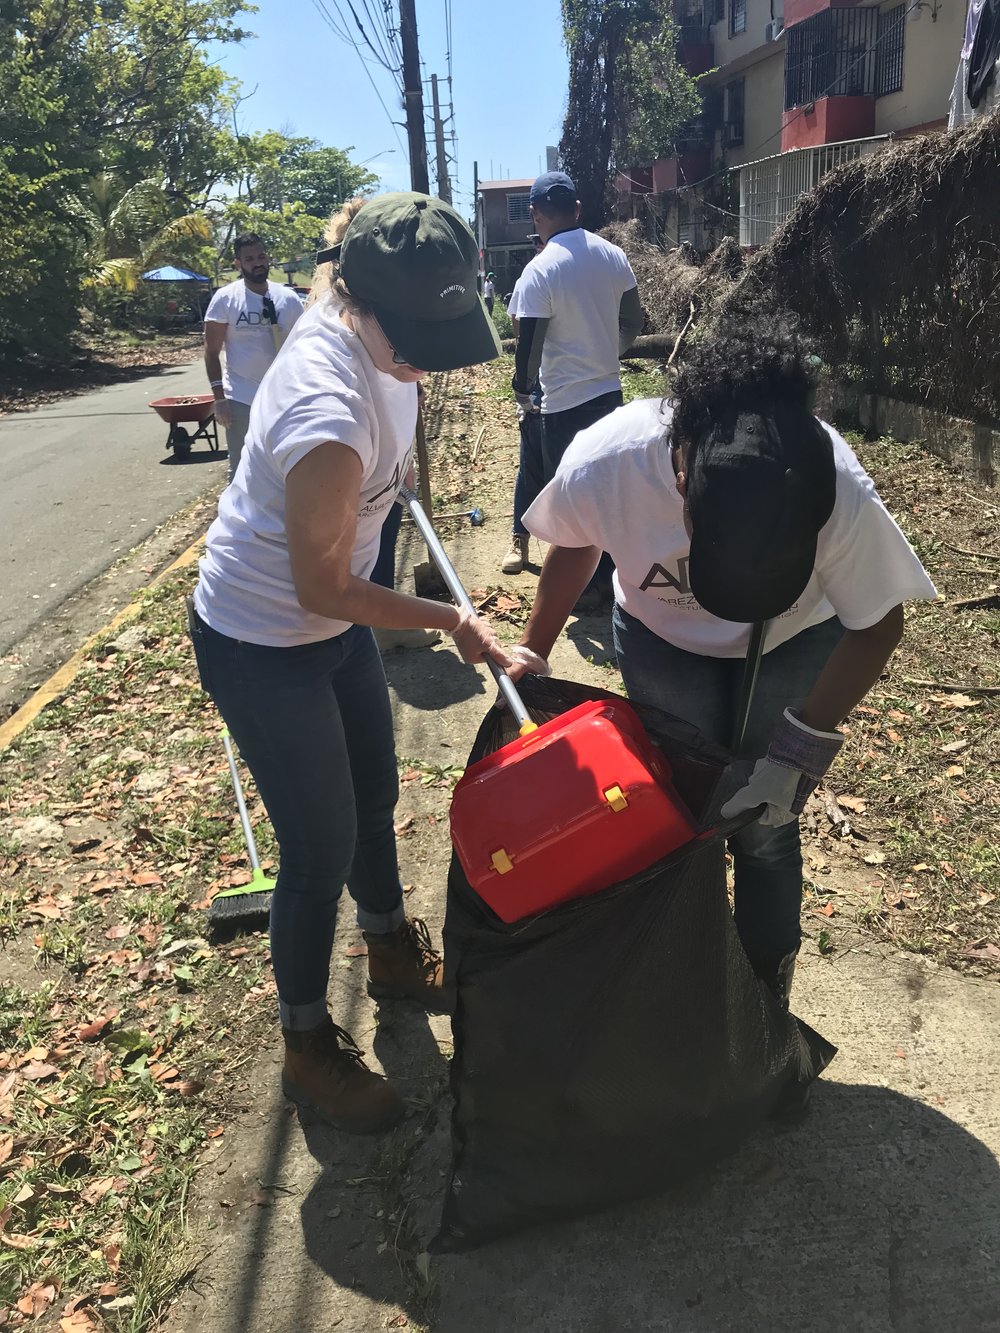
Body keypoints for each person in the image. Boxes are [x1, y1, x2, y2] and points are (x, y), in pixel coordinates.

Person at [190, 193, 508, 1135]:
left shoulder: (390, 351)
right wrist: (455, 618)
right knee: (319, 845)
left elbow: (377, 508)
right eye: (412, 337)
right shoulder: (323, 404)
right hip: (259, 638)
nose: (424, 356)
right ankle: (304, 1042)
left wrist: (400, 484)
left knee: (375, 796)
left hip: (328, 631)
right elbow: (326, 587)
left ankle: (389, 952)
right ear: (361, 303)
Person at [511, 315, 937, 1008]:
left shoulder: (831, 481)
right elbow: (576, 542)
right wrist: (535, 644)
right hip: (661, 641)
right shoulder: (612, 457)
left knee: (766, 829)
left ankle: (763, 994)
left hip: (791, 644)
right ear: (682, 472)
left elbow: (876, 623)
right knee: (679, 812)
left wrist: (795, 754)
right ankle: (685, 972)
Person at [512, 170, 644, 605]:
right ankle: (610, 581)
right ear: (578, 209)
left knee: (570, 500)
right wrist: (607, 352)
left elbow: (528, 346)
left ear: (535, 215)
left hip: (564, 403)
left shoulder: (540, 270)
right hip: (609, 397)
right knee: (608, 491)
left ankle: (581, 590)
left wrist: (523, 391)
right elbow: (633, 322)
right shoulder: (613, 256)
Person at [204, 233, 304, 482]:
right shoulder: (225, 299)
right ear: (238, 263)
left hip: (282, 399)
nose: (257, 263)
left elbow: (302, 349)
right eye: (249, 259)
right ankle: (238, 519)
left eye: (261, 256)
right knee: (241, 469)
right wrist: (219, 400)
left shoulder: (288, 299)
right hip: (241, 398)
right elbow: (211, 351)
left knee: (282, 465)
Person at [501, 232, 545, 575]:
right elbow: (519, 329)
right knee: (529, 464)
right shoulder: (529, 278)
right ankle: (519, 537)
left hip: (577, 386)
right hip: (540, 383)